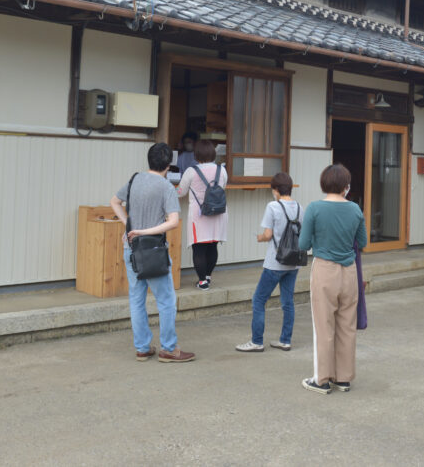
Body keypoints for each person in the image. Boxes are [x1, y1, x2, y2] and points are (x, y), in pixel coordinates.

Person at [110, 143, 195, 363]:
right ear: (168, 165)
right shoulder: (165, 186)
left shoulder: (134, 179)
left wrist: (129, 226)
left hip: (131, 248)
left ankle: (142, 348)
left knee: (136, 299)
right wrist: (144, 231)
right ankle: (168, 348)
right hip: (154, 250)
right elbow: (173, 222)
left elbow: (114, 202)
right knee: (166, 301)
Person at [298, 163, 367, 394]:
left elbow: (303, 244)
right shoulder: (356, 209)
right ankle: (343, 378)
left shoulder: (315, 208)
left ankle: (322, 379)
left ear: (324, 184)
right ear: (346, 186)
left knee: (323, 326)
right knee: (347, 325)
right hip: (349, 272)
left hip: (324, 270)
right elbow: (363, 243)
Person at [236, 172, 300, 353]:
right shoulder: (300, 207)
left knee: (258, 300)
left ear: (276, 190)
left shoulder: (273, 206)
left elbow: (268, 235)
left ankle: (256, 341)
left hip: (275, 262)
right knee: (288, 302)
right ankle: (285, 340)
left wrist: (259, 238)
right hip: (293, 262)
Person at [177, 139, 228, 290]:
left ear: (196, 154)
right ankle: (207, 277)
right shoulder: (222, 170)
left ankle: (202, 282)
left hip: (199, 215)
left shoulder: (191, 171)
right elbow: (222, 187)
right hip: (218, 212)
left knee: (199, 248)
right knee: (213, 246)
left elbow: (181, 192)